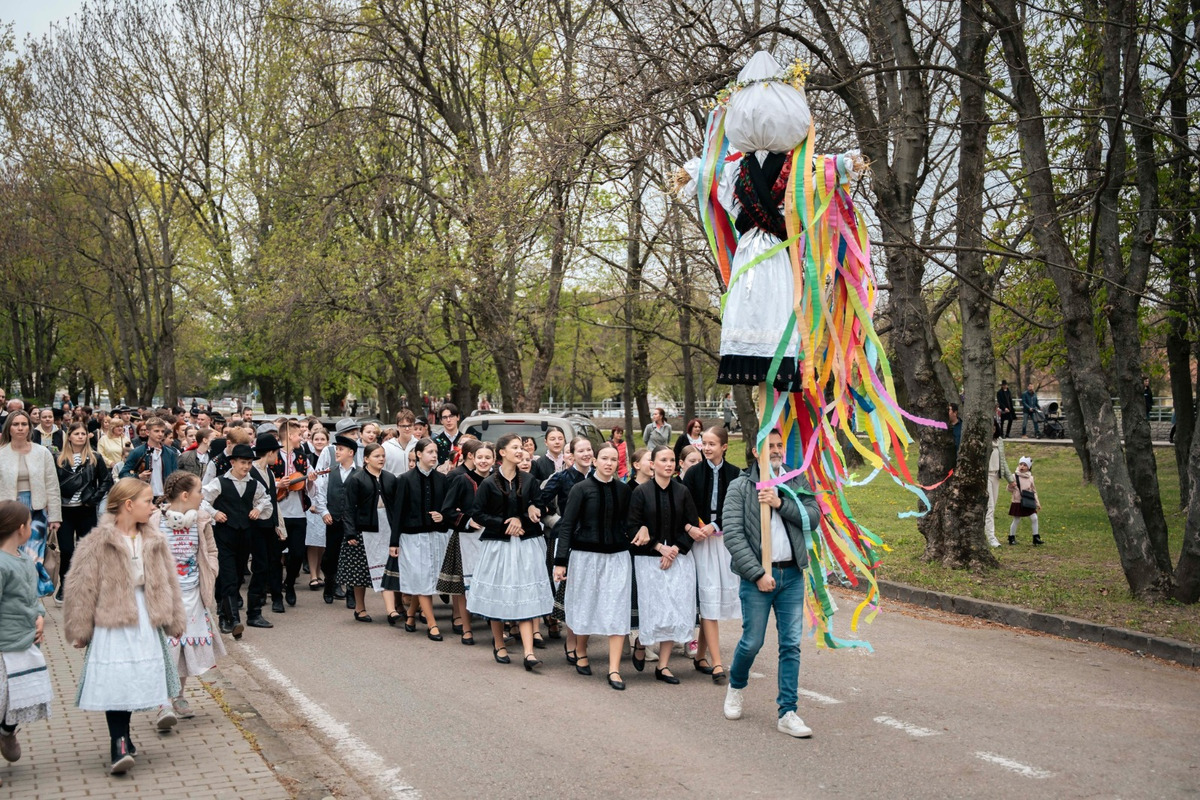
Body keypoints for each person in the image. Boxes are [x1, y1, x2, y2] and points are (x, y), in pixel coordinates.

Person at [63, 478, 187, 774]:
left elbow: (169, 580)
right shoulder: (97, 541)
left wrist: (174, 619)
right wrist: (80, 628)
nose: (153, 505)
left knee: (134, 676)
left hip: (145, 616)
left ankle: (126, 735)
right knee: (115, 678)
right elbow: (81, 586)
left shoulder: (154, 539)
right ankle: (118, 742)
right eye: (147, 500)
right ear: (129, 505)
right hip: (112, 619)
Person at [721, 429, 821, 738]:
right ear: (755, 451)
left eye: (779, 445)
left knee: (790, 644)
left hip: (791, 575)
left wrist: (780, 503)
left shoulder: (795, 480)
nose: (776, 451)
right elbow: (733, 536)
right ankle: (736, 686)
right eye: (769, 446)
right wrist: (757, 574)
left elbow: (813, 517)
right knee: (752, 642)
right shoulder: (739, 488)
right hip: (758, 579)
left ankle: (787, 711)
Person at [468, 434, 554, 671]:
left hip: (527, 543)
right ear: (502, 453)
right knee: (499, 597)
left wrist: (523, 517)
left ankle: (528, 653)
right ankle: (499, 644)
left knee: (525, 598)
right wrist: (505, 522)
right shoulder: (488, 484)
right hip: (499, 545)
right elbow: (478, 514)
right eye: (514, 447)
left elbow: (541, 506)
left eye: (521, 447)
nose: (520, 450)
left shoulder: (529, 480)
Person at [553, 442, 633, 690]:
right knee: (586, 605)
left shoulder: (623, 490)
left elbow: (630, 523)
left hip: (618, 557)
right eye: (604, 459)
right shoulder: (581, 489)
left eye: (613, 459)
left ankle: (614, 669)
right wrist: (560, 561)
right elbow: (567, 525)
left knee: (617, 609)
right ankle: (581, 650)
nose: (609, 463)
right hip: (586, 556)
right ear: (595, 461)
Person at [154, 471, 225, 730]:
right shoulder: (154, 521)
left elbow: (211, 550)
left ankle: (179, 696)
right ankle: (162, 703)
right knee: (167, 649)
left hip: (193, 594)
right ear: (185, 495)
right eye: (198, 492)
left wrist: (211, 570)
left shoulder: (201, 520)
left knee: (185, 648)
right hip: (165, 597)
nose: (202, 496)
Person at [681, 426, 742, 684]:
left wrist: (716, 525)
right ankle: (717, 664)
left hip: (724, 542)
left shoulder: (736, 474)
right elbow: (684, 504)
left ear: (724, 447)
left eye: (712, 444)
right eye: (704, 443)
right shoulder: (694, 473)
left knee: (715, 598)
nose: (706, 448)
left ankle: (701, 655)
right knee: (707, 595)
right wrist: (691, 526)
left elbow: (737, 508)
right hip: (700, 542)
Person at [0, 501, 53, 773]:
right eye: (30, 524)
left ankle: (7, 731)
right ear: (21, 529)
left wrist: (40, 615)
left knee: (19, 699)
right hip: (3, 645)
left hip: (26, 642)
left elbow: (32, 597)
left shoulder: (25, 560)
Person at [200, 443, 273, 637]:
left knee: (239, 576)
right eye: (242, 463)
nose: (246, 467)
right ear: (233, 462)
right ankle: (232, 620)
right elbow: (202, 500)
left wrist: (258, 509)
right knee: (229, 577)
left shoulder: (254, 484)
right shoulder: (219, 482)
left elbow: (266, 500)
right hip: (224, 535)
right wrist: (214, 513)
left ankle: (229, 615)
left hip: (245, 534)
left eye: (249, 463)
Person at [387, 438, 450, 639]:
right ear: (419, 454)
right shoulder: (405, 479)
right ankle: (432, 625)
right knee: (421, 579)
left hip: (435, 535)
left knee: (428, 579)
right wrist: (394, 542)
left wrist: (443, 517)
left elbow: (447, 509)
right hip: (412, 537)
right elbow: (398, 513)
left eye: (436, 452)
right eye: (430, 452)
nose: (434, 455)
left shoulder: (442, 479)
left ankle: (411, 615)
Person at [437, 440, 493, 645]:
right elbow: (447, 510)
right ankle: (467, 628)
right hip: (466, 538)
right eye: (480, 457)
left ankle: (496, 626)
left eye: (488, 457)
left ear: (494, 459)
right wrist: (468, 521)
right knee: (464, 585)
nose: (484, 461)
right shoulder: (462, 480)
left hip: (492, 539)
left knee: (492, 582)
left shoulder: (497, 480)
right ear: (472, 458)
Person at [0, 411, 61, 597]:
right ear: (8, 428)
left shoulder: (42, 452)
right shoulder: (1, 454)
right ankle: (17, 598)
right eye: (16, 424)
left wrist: (55, 517)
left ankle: (33, 599)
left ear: (30, 428)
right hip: (9, 511)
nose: (20, 428)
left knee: (34, 557)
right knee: (13, 555)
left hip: (36, 512)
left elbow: (52, 485)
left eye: (24, 424)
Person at [54, 422, 113, 605]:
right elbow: (53, 484)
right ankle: (64, 586)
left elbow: (106, 480)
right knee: (66, 550)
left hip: (86, 510)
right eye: (76, 433)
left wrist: (93, 499)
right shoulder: (58, 458)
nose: (80, 436)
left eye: (83, 433)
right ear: (69, 436)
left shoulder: (94, 457)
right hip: (64, 511)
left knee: (86, 551)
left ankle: (86, 588)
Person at [341, 443, 397, 623]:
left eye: (382, 456)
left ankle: (391, 610)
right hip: (363, 528)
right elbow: (348, 508)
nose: (381, 459)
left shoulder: (390, 478)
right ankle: (360, 608)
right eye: (376, 456)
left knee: (386, 566)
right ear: (366, 459)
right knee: (360, 571)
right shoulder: (356, 479)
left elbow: (396, 506)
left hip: (386, 526)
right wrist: (350, 532)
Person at [272, 420, 315, 607]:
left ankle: (289, 584)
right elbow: (264, 482)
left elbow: (311, 486)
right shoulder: (273, 457)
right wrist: (277, 485)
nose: (301, 437)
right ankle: (276, 596)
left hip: (298, 513)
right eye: (299, 434)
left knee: (297, 553)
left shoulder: (302, 457)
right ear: (290, 435)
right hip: (278, 513)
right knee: (274, 554)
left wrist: (310, 481)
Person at [314, 435, 358, 606]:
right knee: (330, 557)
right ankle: (330, 583)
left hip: (352, 524)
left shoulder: (359, 472)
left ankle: (351, 593)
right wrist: (324, 511)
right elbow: (320, 492)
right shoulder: (329, 471)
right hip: (333, 520)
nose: (337, 452)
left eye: (340, 449)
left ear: (351, 452)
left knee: (352, 558)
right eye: (337, 448)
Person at [250, 434, 287, 619]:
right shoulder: (251, 471)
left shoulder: (270, 473)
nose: (278, 457)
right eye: (277, 453)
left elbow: (274, 502)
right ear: (270, 452)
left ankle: (277, 597)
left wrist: (280, 525)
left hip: (271, 524)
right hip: (256, 525)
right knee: (260, 563)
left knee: (275, 561)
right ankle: (258, 598)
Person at [119, 417, 179, 501]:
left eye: (162, 431)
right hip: (144, 497)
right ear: (147, 432)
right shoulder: (137, 452)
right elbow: (123, 474)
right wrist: (138, 476)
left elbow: (175, 476)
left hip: (165, 498)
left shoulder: (170, 453)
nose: (160, 434)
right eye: (156, 431)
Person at [304, 426, 330, 589]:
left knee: (323, 543)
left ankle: (320, 572)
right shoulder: (308, 459)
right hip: (311, 504)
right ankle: (313, 574)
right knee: (313, 541)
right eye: (316, 439)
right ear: (312, 442)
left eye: (322, 439)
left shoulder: (332, 458)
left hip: (327, 504)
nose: (319, 442)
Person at [985, 419, 1012, 548]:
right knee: (989, 507)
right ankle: (991, 537)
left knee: (993, 506)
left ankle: (987, 533)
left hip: (996, 476)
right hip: (986, 476)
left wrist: (1010, 480)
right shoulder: (983, 441)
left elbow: (1003, 461)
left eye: (994, 427)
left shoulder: (999, 441)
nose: (992, 429)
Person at [1008, 456, 1042, 546]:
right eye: (1021, 464)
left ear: (1029, 467)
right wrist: (1011, 485)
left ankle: (1036, 537)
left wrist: (1037, 503)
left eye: (1025, 465)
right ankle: (1011, 537)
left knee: (1034, 518)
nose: (1022, 466)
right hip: (1017, 502)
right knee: (1016, 520)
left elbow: (1033, 491)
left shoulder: (1030, 478)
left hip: (1028, 502)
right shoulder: (1014, 476)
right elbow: (1009, 489)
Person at [384, 409, 418, 476]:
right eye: (403, 426)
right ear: (397, 427)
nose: (407, 429)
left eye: (410, 425)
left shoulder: (419, 445)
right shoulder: (386, 447)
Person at [433, 403, 463, 468]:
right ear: (441, 420)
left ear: (458, 417)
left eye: (451, 416)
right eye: (445, 417)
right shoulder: (435, 442)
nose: (448, 420)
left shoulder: (465, 440)